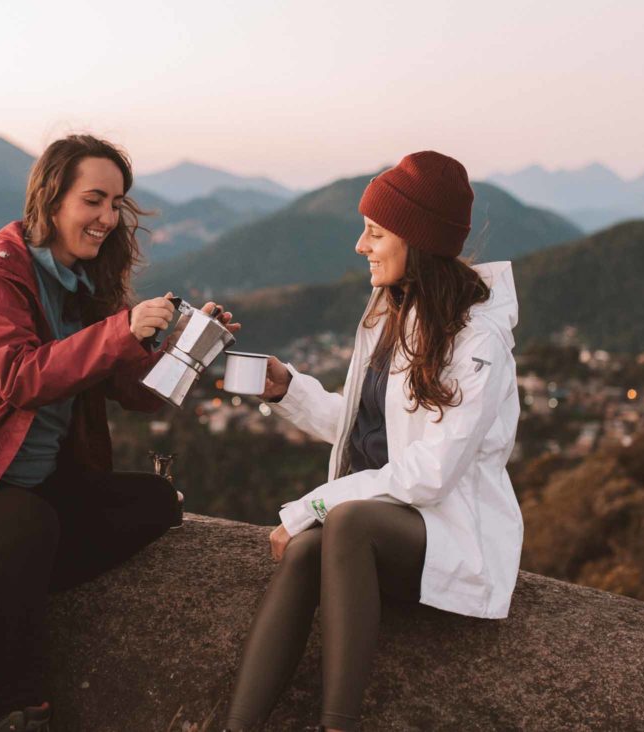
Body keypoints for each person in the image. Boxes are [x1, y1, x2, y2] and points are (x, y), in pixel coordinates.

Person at [0, 134, 238, 731]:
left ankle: (3, 596)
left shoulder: (86, 284)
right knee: (33, 528)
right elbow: (20, 378)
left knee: (158, 504)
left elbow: (137, 394)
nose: (107, 218)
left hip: (45, 479)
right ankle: (13, 701)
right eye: (94, 201)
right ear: (52, 200)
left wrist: (188, 350)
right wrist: (120, 331)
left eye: (116, 204)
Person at [223, 151, 522, 732]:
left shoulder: (477, 340)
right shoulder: (390, 315)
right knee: (313, 546)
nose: (361, 245)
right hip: (382, 530)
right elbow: (365, 427)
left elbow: (430, 472)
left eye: (375, 231)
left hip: (445, 534)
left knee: (344, 524)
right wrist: (286, 391)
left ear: (418, 238)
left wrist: (313, 506)